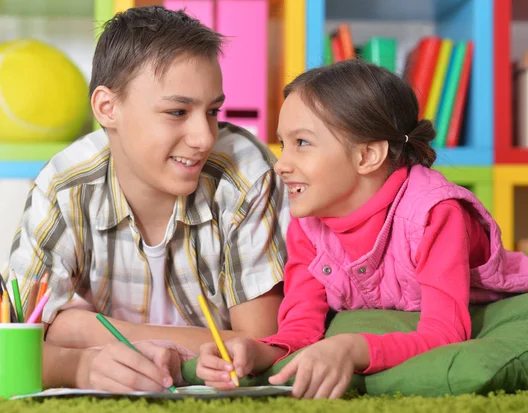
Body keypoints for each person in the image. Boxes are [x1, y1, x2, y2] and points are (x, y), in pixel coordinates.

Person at [0, 6, 289, 391]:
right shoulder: (65, 185)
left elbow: (260, 345)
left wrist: (85, 330)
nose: (204, 136)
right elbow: (14, 339)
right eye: (177, 111)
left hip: (176, 369)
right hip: (125, 365)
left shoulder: (244, 175)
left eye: (213, 111)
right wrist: (80, 367)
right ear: (107, 108)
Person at [195, 59, 528, 399]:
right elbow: (300, 329)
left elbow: (445, 333)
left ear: (367, 155)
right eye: (284, 143)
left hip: (498, 301)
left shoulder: (436, 215)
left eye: (303, 143)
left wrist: (352, 348)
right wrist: (254, 351)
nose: (281, 164)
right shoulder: (308, 224)